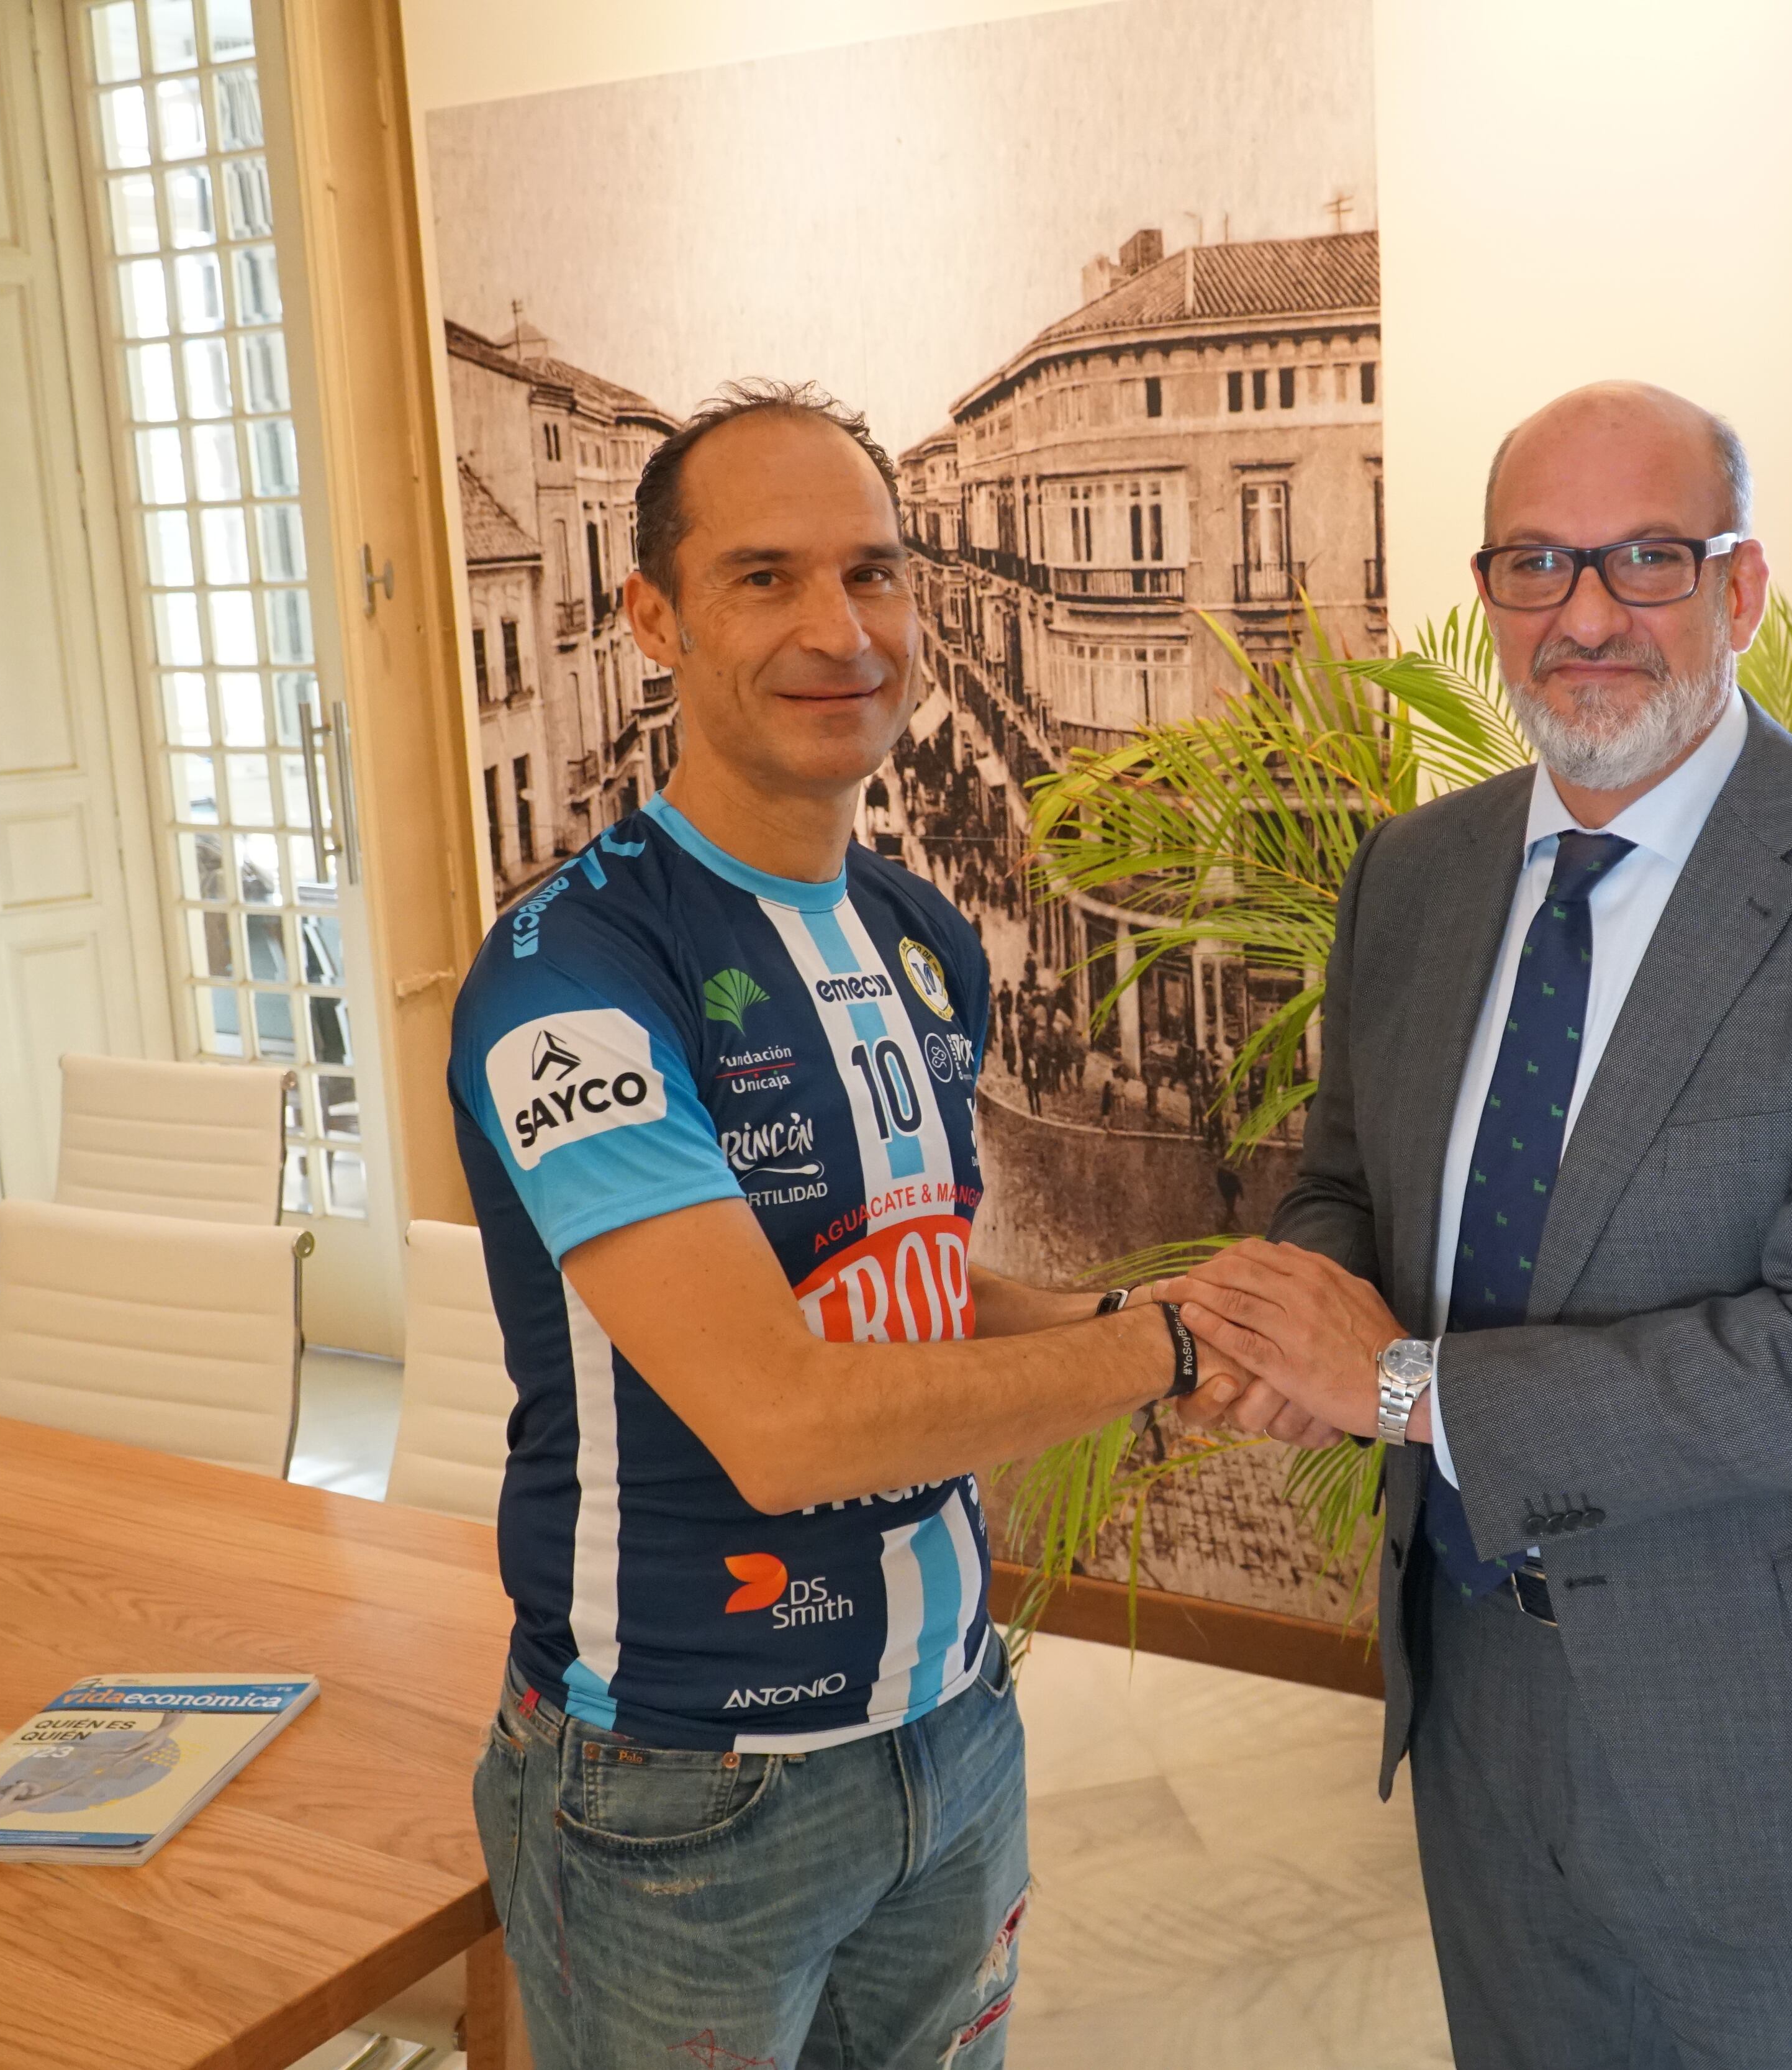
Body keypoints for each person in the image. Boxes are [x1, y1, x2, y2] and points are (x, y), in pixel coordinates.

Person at [1174, 380, 1792, 2069]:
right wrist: (1271, 1326)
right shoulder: (1416, 880)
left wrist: (1394, 1388)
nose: (1587, 614)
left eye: (1646, 560)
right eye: (1536, 564)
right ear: (1488, 602)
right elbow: (1352, 1188)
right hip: (1485, 1705)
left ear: (1739, 592)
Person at [448, 378, 1229, 2069]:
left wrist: (1143, 1328)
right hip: (678, 1789)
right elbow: (789, 1425)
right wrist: (1161, 1352)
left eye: (873, 573)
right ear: (649, 614)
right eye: (764, 578)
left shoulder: (921, 930)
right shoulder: (569, 981)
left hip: (950, 1735)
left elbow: (913, 1291)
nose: (839, 629)